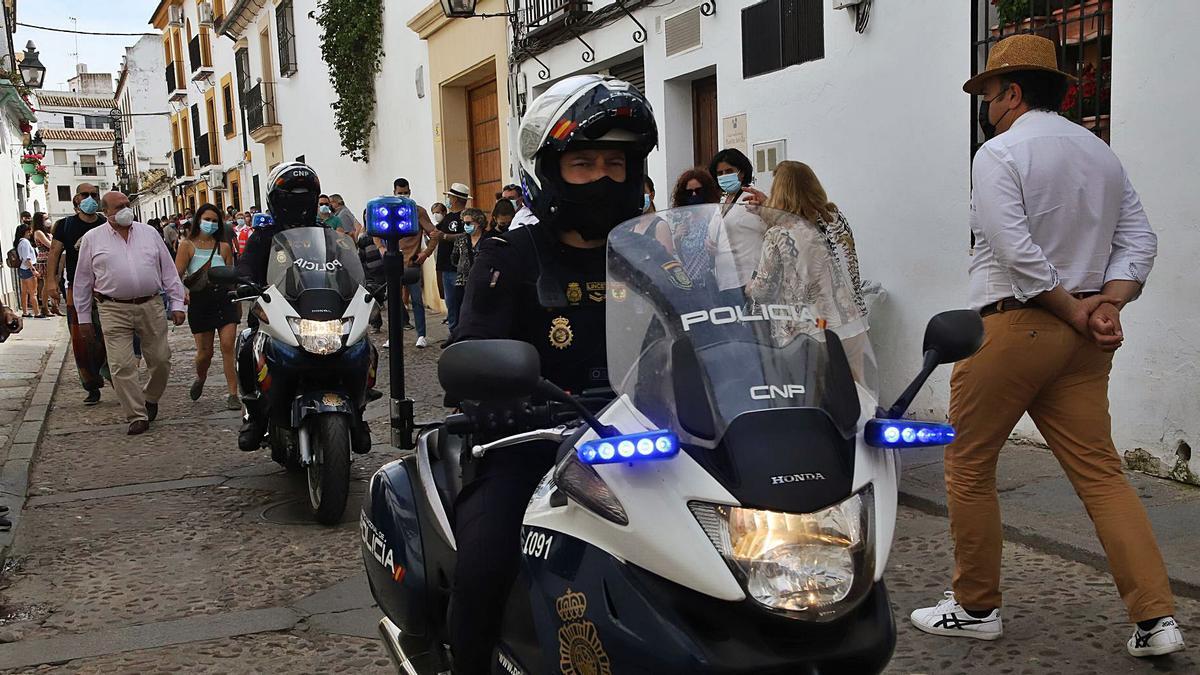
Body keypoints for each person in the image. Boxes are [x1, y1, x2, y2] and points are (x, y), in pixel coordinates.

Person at [908, 34, 1183, 658]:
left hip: (1014, 325)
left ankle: (977, 606)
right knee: (1103, 475)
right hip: (1083, 342)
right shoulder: (1101, 154)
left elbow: (1014, 249)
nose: (985, 105)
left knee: (969, 465)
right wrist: (1105, 303)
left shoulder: (999, 152)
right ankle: (1156, 619)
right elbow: (1141, 239)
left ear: (1012, 92)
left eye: (988, 93)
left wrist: (1072, 305)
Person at [449, 74, 657, 674]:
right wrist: (493, 395)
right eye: (584, 162)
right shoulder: (509, 256)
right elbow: (472, 349)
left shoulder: (654, 253)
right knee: (484, 562)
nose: (602, 177)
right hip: (533, 444)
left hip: (645, 443)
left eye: (615, 162)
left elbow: (707, 328)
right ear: (551, 170)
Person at [72, 191, 186, 435]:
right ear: (106, 212)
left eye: (127, 204)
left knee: (161, 358)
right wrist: (83, 318)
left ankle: (150, 397)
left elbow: (168, 270)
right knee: (121, 365)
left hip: (151, 304)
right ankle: (137, 415)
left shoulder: (149, 233)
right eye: (119, 206)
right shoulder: (92, 239)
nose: (126, 209)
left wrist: (177, 303)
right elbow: (82, 280)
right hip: (112, 308)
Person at [235, 161, 322, 450]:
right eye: (291, 196)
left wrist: (369, 281)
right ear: (276, 200)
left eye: (305, 195)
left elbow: (349, 262)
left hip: (320, 309)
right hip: (272, 311)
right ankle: (254, 415)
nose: (299, 202)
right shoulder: (263, 237)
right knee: (248, 346)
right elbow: (246, 264)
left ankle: (358, 407)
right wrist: (244, 279)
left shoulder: (324, 235)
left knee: (360, 345)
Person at [45, 186, 110, 405]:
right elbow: (54, 252)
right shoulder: (65, 225)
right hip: (77, 287)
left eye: (94, 195)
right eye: (85, 195)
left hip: (106, 287)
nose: (90, 199)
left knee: (111, 333)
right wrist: (51, 281)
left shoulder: (106, 223)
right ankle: (91, 385)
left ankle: (114, 374)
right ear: (76, 198)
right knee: (81, 339)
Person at [176, 204, 240, 410]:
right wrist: (180, 295)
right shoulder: (187, 246)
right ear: (198, 220)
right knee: (205, 353)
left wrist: (237, 298)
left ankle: (233, 393)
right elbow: (177, 274)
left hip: (223, 299)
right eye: (207, 219)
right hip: (200, 301)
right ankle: (201, 376)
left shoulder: (224, 247)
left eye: (215, 220)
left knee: (228, 345)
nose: (210, 224)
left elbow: (232, 276)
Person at [391, 177, 442, 349]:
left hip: (412, 263)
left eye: (406, 193)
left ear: (410, 192)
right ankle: (394, 335)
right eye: (400, 193)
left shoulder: (417, 211)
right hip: (394, 263)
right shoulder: (389, 210)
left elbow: (434, 234)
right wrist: (382, 251)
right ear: (394, 193)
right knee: (394, 302)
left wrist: (425, 253)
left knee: (417, 301)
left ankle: (421, 335)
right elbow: (375, 233)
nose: (404, 196)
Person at [669, 168, 721, 289]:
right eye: (689, 192)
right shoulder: (684, 220)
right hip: (690, 283)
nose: (694, 195)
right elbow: (684, 260)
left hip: (710, 284)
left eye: (698, 191)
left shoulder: (714, 217)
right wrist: (676, 239)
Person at [436, 182, 470, 335]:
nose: (448, 199)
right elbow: (435, 234)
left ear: (455, 199)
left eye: (450, 196)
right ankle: (453, 332)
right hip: (445, 267)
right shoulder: (447, 217)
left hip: (457, 268)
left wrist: (445, 236)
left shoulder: (466, 217)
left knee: (459, 303)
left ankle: (460, 333)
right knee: (451, 304)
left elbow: (466, 236)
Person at [451, 208, 489, 301]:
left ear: (479, 222)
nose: (465, 226)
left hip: (483, 282)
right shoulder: (461, 239)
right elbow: (454, 258)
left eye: (468, 223)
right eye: (464, 223)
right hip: (462, 283)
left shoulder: (489, 239)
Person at [631, 175, 675, 256]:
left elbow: (667, 260)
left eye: (643, 192)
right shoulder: (633, 226)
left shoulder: (660, 226)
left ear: (652, 195)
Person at [32, 213, 56, 317]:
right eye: (45, 218)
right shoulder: (38, 232)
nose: (47, 220)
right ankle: (45, 307)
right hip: (45, 259)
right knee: (46, 284)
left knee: (51, 283)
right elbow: (50, 245)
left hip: (50, 258)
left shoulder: (46, 232)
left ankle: (53, 306)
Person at [14, 225, 39, 318]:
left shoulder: (19, 242)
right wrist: (34, 270)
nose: (30, 233)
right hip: (28, 269)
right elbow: (27, 258)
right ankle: (37, 313)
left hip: (22, 269)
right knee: (33, 292)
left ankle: (25, 312)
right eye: (29, 232)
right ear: (25, 232)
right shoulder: (25, 242)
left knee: (24, 292)